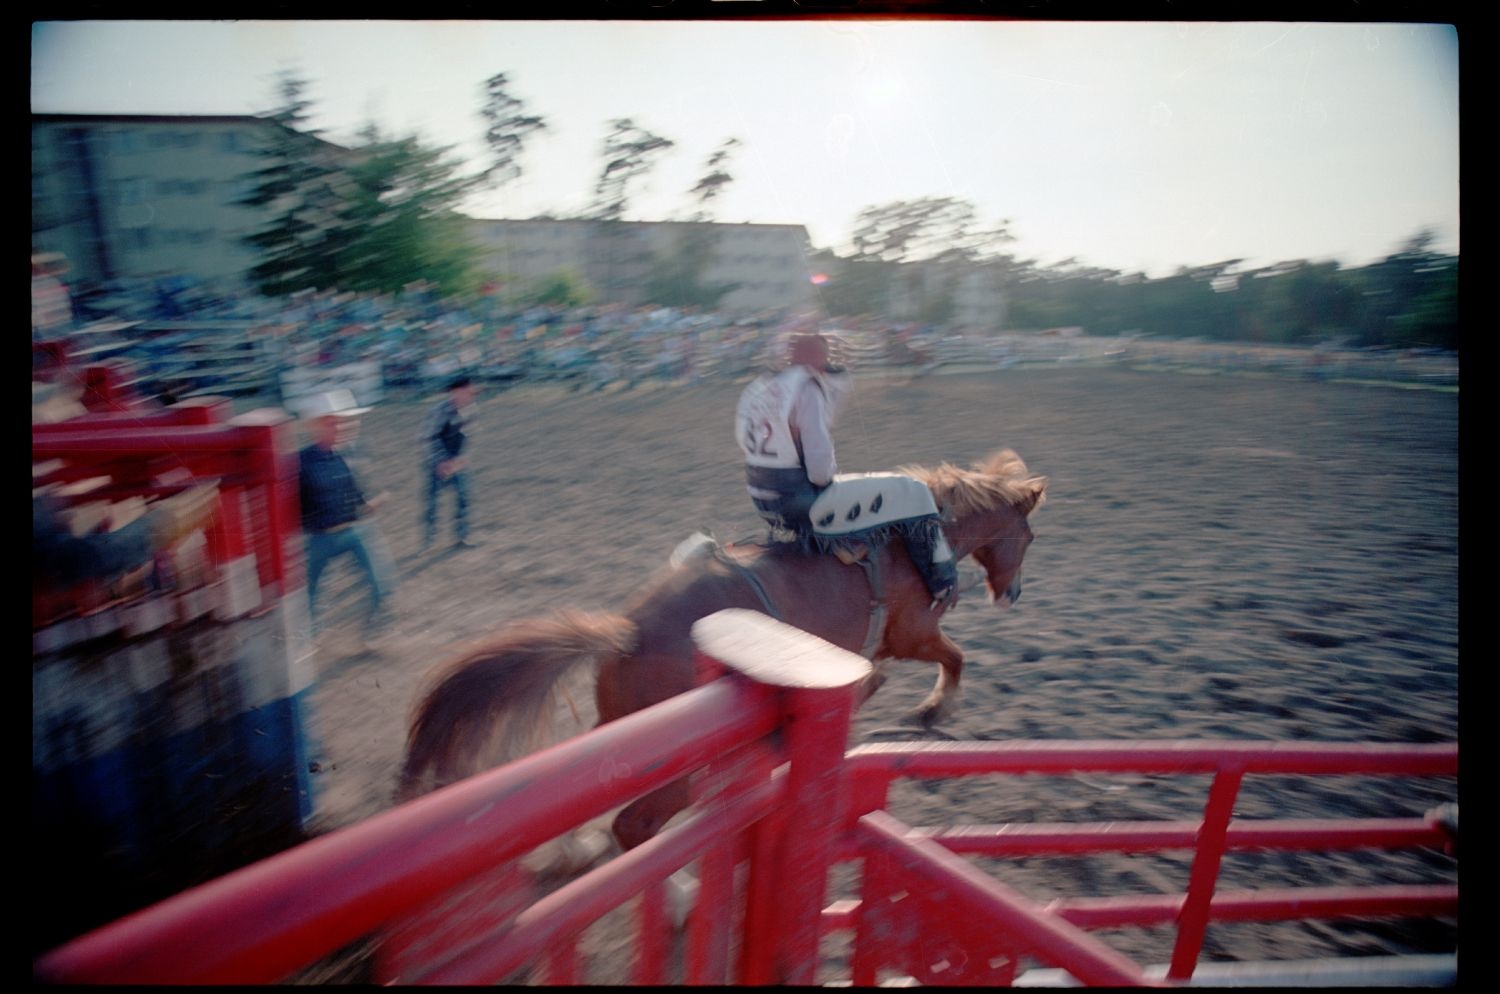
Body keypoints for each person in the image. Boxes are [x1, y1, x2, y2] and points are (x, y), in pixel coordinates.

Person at [734, 330, 958, 605]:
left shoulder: (762, 387)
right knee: (913, 490)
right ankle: (943, 584)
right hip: (800, 503)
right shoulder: (808, 389)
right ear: (821, 358)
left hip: (763, 498)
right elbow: (820, 471)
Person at [296, 390, 393, 639]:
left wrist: (371, 501)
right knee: (310, 595)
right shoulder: (300, 462)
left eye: (343, 421)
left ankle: (372, 634)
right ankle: (310, 637)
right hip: (319, 537)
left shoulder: (351, 453)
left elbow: (358, 488)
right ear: (316, 426)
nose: (341, 427)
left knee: (381, 583)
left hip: (353, 529)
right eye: (333, 422)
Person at [421, 373, 478, 550]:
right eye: (468, 391)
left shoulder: (470, 410)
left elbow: (471, 437)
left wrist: (461, 460)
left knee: (463, 498)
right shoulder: (439, 411)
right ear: (456, 392)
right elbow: (428, 438)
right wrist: (440, 462)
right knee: (432, 503)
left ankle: (461, 537)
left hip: (456, 462)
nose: (471, 394)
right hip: (435, 464)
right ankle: (429, 541)